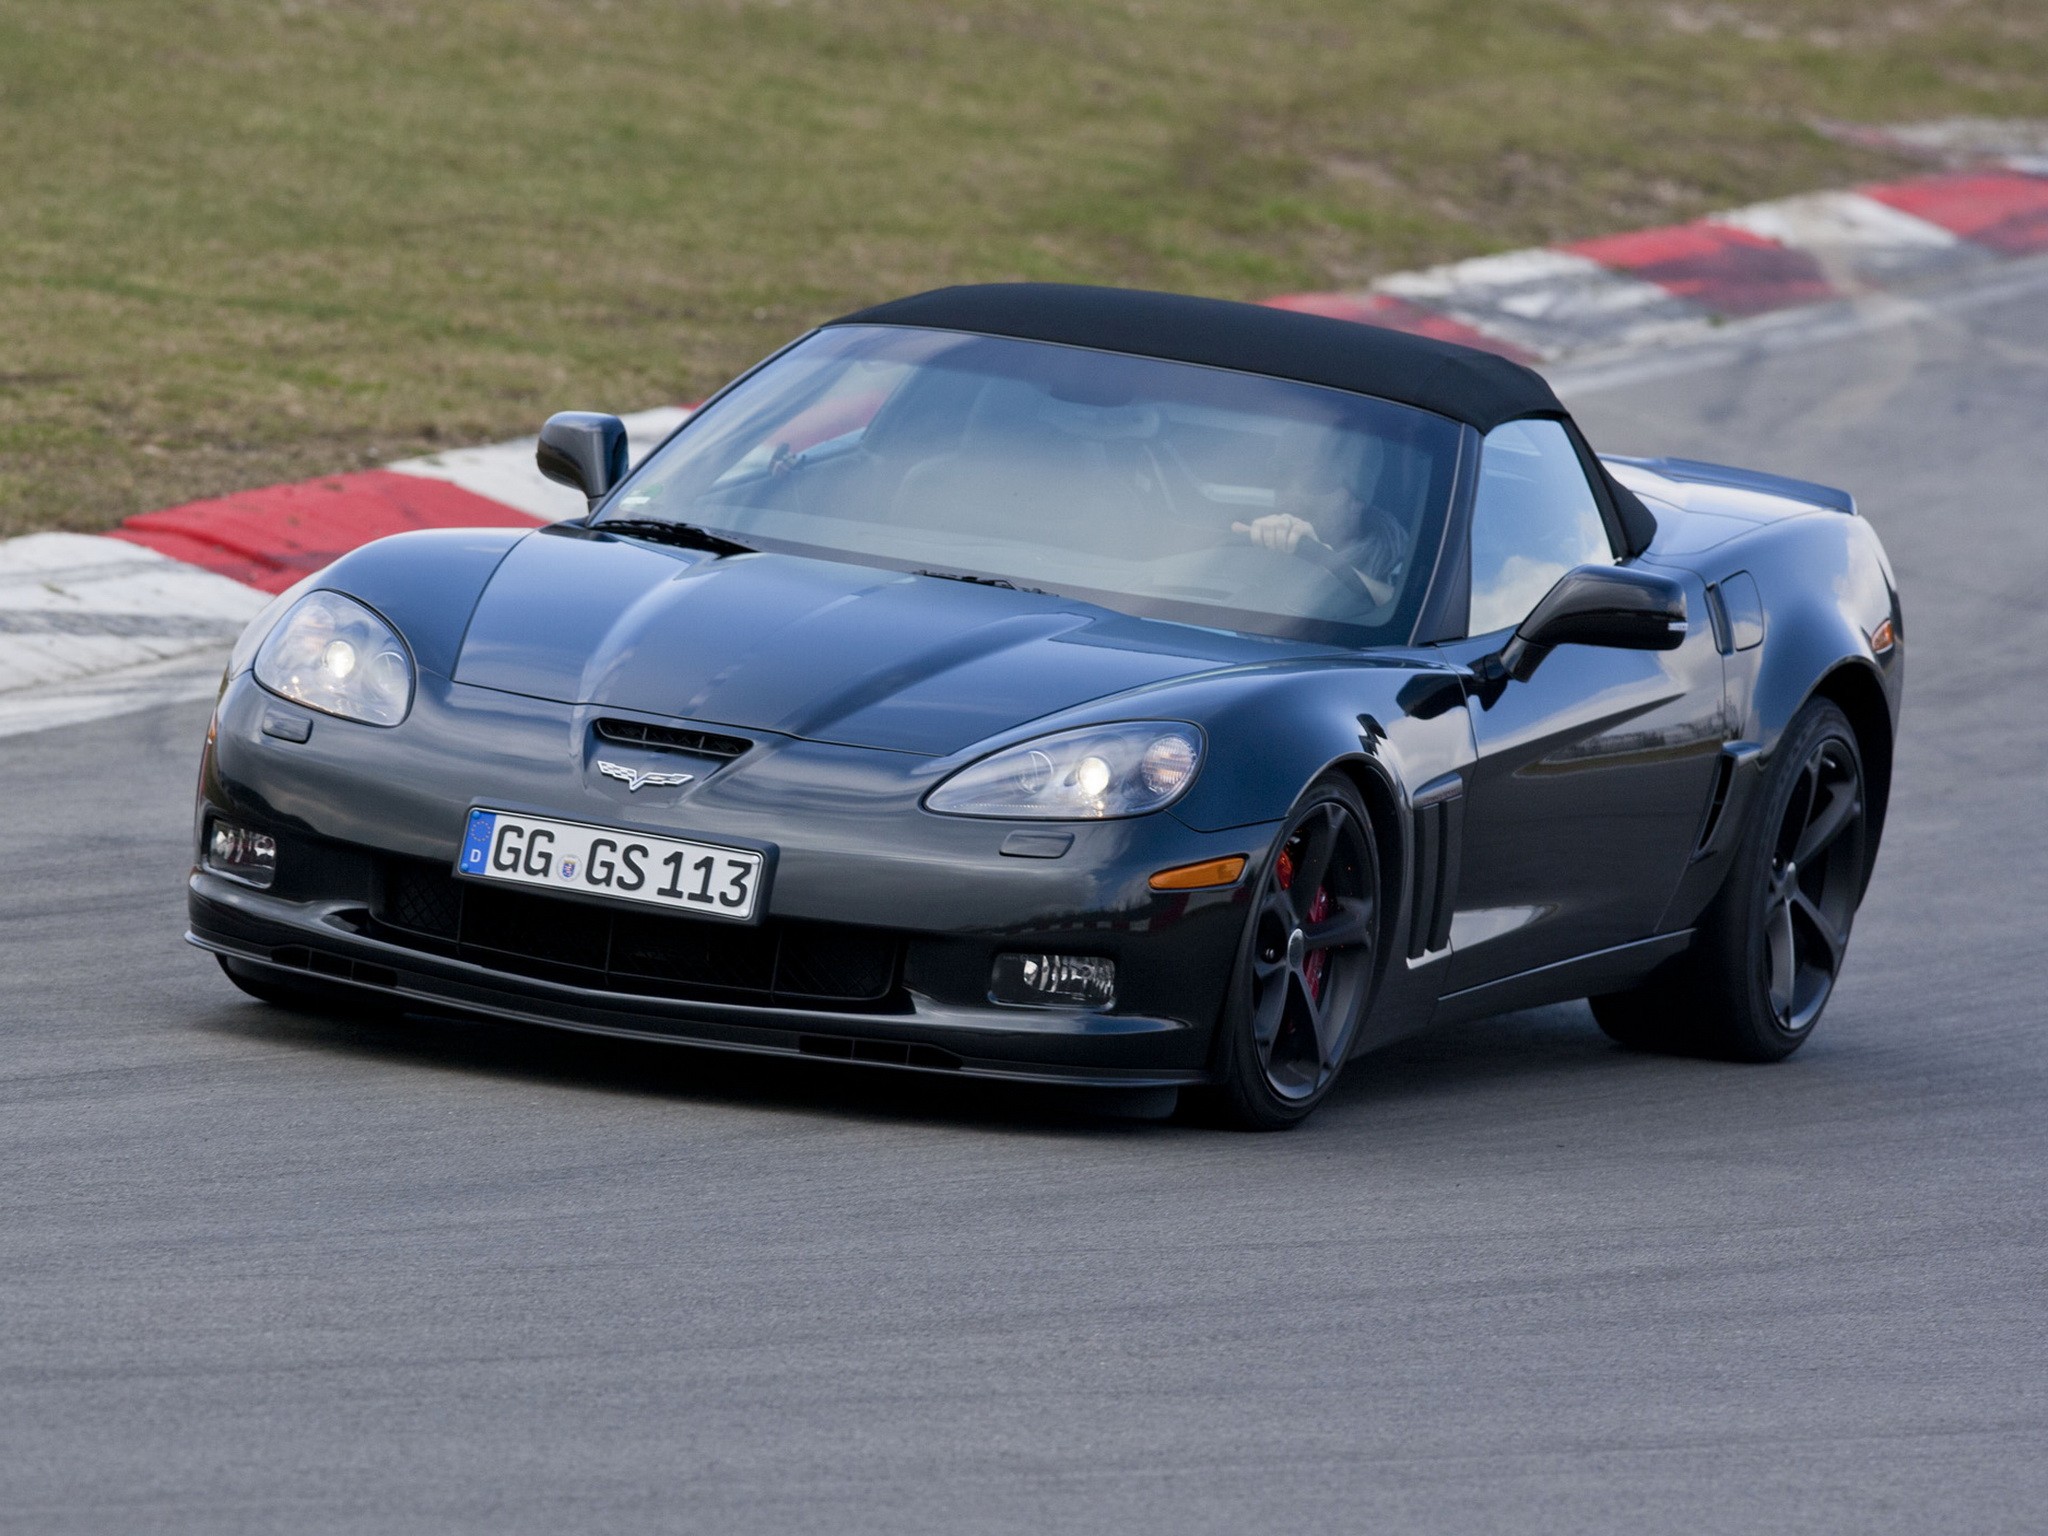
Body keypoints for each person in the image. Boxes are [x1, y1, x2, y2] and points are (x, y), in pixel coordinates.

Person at [1231, 421, 1410, 609]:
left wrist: (1325, 560)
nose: (1292, 495)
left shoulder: (1400, 562)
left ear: (1358, 500)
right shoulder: (1255, 546)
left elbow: (1403, 610)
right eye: (1282, 475)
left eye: (1318, 480)